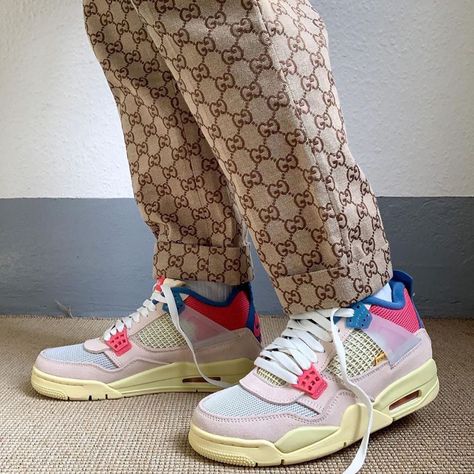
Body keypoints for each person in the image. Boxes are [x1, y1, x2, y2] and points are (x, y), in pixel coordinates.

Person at [31, 1, 439, 472]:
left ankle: (363, 311)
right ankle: (205, 308)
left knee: (223, 15)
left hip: (361, 314)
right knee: (132, 33)